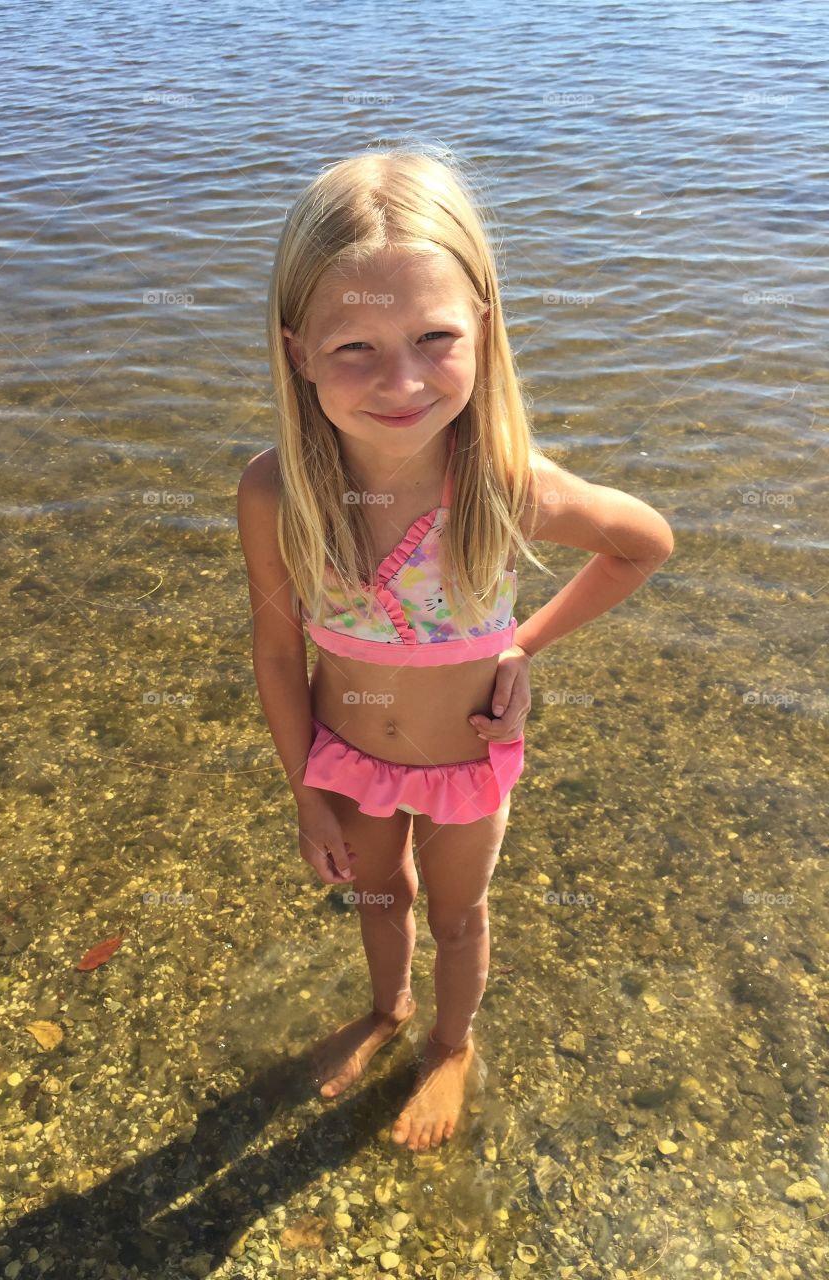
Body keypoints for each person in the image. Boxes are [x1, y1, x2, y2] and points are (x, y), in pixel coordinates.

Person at [236, 148, 674, 1152]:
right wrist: (305, 788)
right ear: (298, 350)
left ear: (482, 326)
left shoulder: (503, 481)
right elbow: (272, 652)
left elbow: (641, 541)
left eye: (434, 336)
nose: (400, 380)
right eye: (355, 347)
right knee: (378, 898)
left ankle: (450, 1040)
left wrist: (522, 642)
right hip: (346, 760)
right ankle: (386, 1010)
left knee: (460, 916)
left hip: (467, 766)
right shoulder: (278, 489)